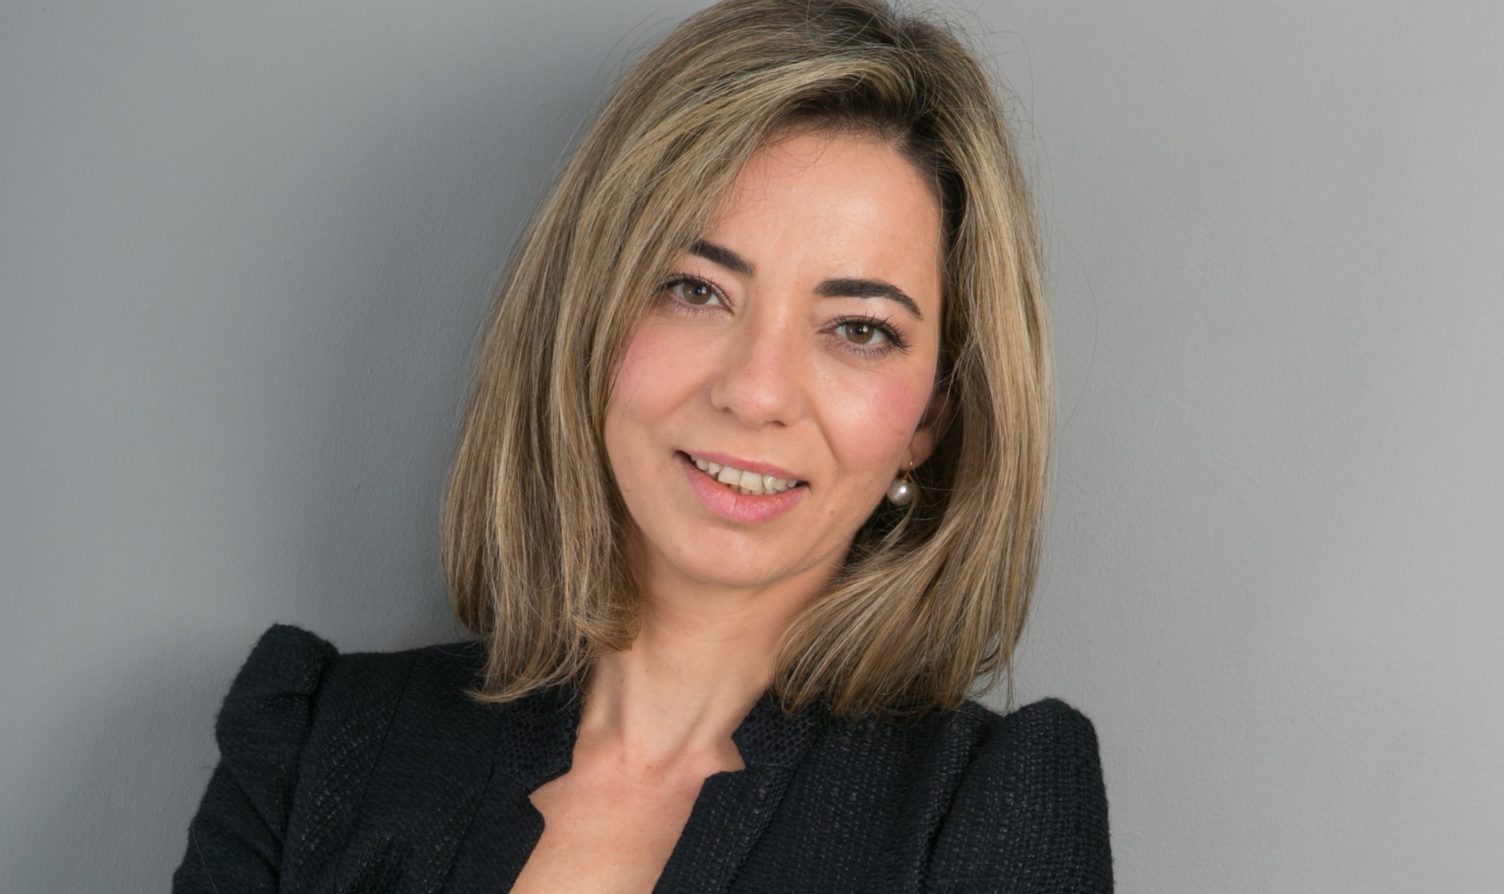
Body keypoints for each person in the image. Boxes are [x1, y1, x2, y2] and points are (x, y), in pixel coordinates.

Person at [173, 0, 1112, 890]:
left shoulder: (987, 813)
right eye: (695, 290)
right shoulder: (312, 750)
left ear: (931, 419)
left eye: (860, 329)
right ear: (587, 313)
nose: (756, 391)